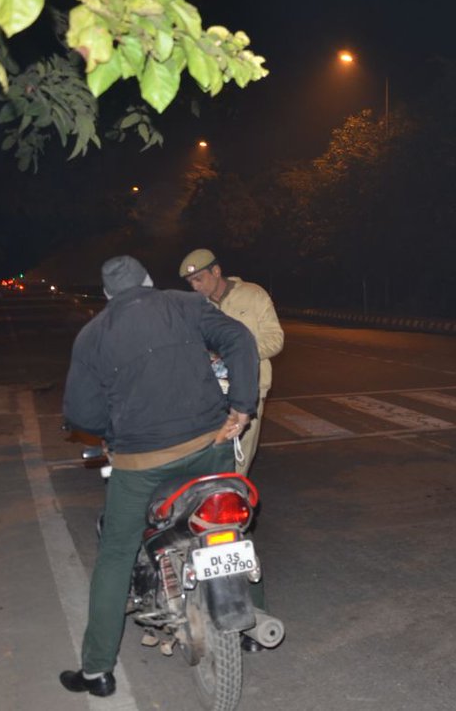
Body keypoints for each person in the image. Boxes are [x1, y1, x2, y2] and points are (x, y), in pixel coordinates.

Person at [59, 255, 260, 698]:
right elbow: (240, 339)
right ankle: (248, 626)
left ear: (108, 296)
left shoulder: (92, 335)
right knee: (228, 524)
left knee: (116, 553)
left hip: (141, 463)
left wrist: (111, 430)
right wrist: (242, 407)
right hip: (211, 446)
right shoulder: (185, 305)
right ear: (150, 281)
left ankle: (96, 671)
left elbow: (80, 412)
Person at [179, 248, 284, 474]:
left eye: (199, 279)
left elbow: (276, 339)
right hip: (210, 394)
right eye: (190, 282)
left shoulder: (253, 295)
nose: (195, 286)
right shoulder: (198, 307)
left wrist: (240, 354)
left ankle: (235, 496)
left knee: (239, 456)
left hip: (249, 389)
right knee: (209, 454)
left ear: (216, 271)